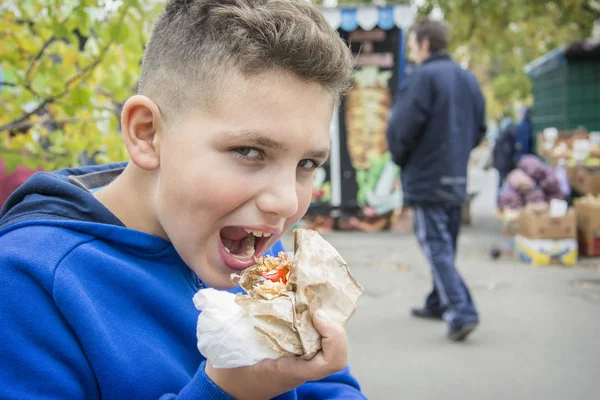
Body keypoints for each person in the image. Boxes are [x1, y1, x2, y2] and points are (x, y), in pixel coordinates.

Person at [0, 1, 366, 398]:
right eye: (249, 151)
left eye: (307, 163)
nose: (283, 202)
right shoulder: (28, 282)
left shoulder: (256, 251)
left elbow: (330, 388)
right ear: (147, 134)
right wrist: (227, 391)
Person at [386, 18, 486, 341]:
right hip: (456, 176)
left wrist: (401, 159)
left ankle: (462, 311)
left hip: (427, 178)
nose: (413, 52)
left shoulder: (422, 78)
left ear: (425, 44)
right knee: (446, 245)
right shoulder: (468, 79)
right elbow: (480, 129)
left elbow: (401, 129)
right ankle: (437, 301)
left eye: (414, 45)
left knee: (435, 246)